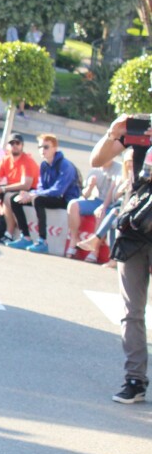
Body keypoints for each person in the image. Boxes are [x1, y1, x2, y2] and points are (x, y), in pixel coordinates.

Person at [91, 115, 152, 403]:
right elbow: (96, 159)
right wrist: (112, 133)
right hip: (136, 228)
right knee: (131, 311)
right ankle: (135, 380)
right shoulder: (139, 127)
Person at [6, 134, 80, 251]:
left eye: (46, 147)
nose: (42, 150)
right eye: (40, 147)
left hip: (66, 200)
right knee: (15, 199)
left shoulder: (65, 165)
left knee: (37, 199)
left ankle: (42, 241)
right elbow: (41, 187)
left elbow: (58, 190)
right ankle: (25, 237)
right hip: (50, 196)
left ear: (55, 148)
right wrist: (28, 194)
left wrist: (33, 195)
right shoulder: (44, 165)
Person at [0, 134, 39, 237]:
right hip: (9, 188)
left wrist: (2, 189)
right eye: (12, 143)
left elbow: (26, 185)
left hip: (27, 191)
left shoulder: (28, 161)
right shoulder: (6, 159)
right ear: (7, 146)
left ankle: (8, 234)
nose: (15, 145)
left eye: (17, 143)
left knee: (7, 197)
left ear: (22, 145)